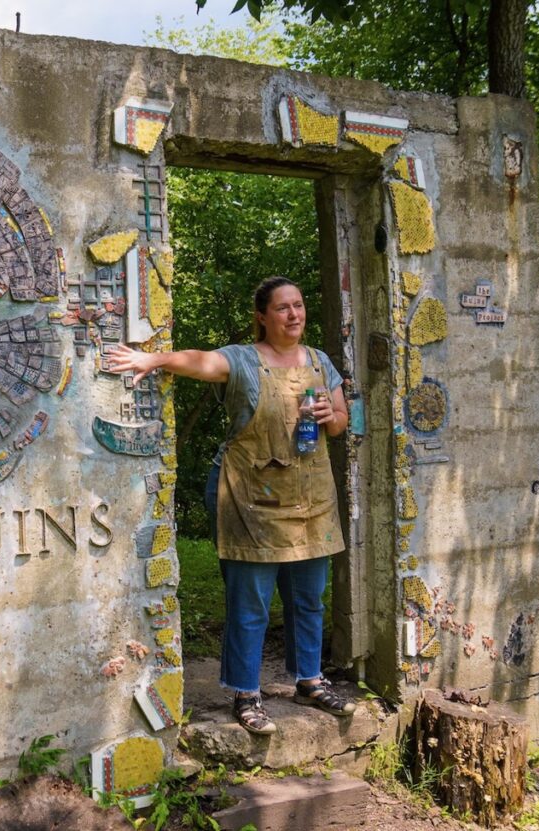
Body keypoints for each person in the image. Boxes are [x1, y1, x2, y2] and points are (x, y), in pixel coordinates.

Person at [109, 276, 355, 735]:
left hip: (312, 501)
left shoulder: (321, 362)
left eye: (298, 305)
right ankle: (246, 692)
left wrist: (330, 416)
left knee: (308, 600)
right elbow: (200, 362)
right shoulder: (243, 360)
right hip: (251, 502)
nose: (294, 314)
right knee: (251, 604)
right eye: (282, 308)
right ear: (263, 316)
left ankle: (310, 681)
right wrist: (153, 358)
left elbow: (341, 421)